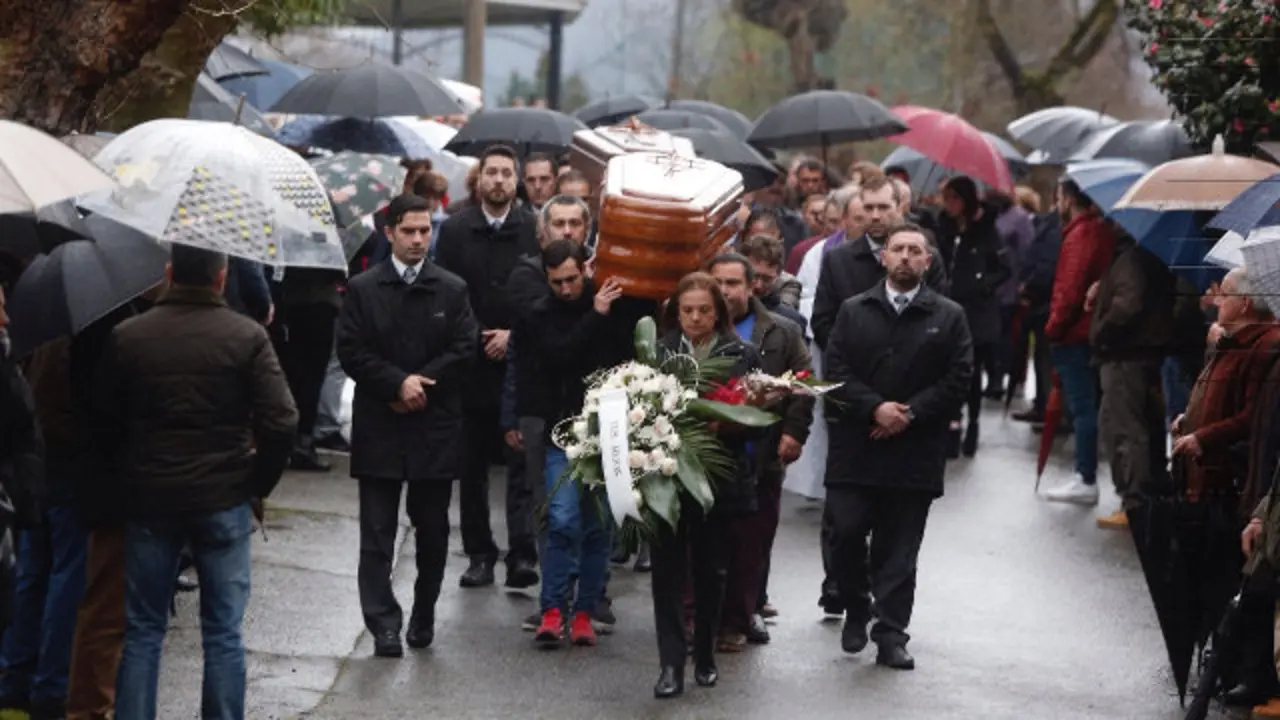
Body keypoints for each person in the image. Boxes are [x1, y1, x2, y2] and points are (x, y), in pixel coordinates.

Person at [98, 244, 299, 720]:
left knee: (143, 628)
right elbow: (283, 419)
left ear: (168, 273)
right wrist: (256, 483)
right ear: (221, 277)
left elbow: (104, 419)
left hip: (151, 494)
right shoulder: (246, 336)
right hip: (224, 493)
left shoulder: (129, 336)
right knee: (224, 630)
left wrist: (128, 472)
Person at [822, 223, 973, 671]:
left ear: (927, 262)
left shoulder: (948, 316)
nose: (906, 257)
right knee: (845, 534)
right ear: (883, 258)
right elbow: (835, 368)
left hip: (914, 452)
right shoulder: (853, 310)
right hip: (857, 445)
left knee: (899, 548)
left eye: (915, 251)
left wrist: (908, 413)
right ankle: (854, 603)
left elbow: (959, 377)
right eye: (898, 249)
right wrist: (874, 409)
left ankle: (891, 633)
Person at [337, 194, 479, 658]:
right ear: (390, 232)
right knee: (376, 533)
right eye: (410, 231)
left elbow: (464, 349)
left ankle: (423, 611)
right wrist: (396, 384)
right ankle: (382, 624)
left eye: (425, 230)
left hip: (433, 427)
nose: (419, 239)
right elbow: (351, 351)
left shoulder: (452, 289)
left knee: (433, 530)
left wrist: (421, 387)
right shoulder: (363, 289)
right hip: (382, 423)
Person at [651, 273, 764, 699]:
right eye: (687, 310)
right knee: (666, 570)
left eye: (703, 310)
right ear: (674, 312)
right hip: (664, 476)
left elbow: (759, 423)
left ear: (718, 312)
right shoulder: (657, 353)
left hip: (718, 477)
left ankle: (705, 652)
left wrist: (728, 425)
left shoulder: (742, 353)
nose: (695, 318)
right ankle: (670, 664)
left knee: (711, 569)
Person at [434, 145, 542, 590]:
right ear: (479, 180)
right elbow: (447, 291)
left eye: (506, 173)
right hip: (470, 360)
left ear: (516, 181)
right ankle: (480, 553)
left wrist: (513, 336)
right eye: (491, 173)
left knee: (521, 461)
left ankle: (522, 552)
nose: (498, 180)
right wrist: (477, 334)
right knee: (471, 465)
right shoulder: (458, 229)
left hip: (520, 359)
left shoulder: (533, 228)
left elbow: (541, 292)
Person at [521, 240, 629, 648]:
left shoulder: (611, 305)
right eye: (556, 282)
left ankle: (583, 611)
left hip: (607, 430)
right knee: (563, 518)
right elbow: (557, 356)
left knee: (598, 524)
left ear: (586, 268)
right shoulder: (540, 314)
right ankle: (553, 608)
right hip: (561, 431)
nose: (566, 289)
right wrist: (594, 317)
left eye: (571, 279)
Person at [706, 254, 813, 643]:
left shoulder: (780, 331)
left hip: (761, 457)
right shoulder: (695, 324)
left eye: (733, 283)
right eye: (717, 281)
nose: (724, 290)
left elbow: (803, 382)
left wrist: (794, 433)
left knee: (751, 544)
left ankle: (739, 617)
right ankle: (700, 617)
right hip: (707, 456)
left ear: (752, 287)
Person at [1089, 240, 1179, 529]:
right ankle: (1143, 497)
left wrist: (1101, 332)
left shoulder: (1131, 259)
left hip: (1124, 355)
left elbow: (1127, 304)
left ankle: (1134, 502)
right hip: (1142, 354)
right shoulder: (1151, 256)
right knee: (1141, 426)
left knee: (1125, 429)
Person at [1040, 179, 1117, 505]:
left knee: (1082, 406)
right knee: (1088, 405)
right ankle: (1085, 474)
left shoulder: (1081, 233)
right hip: (1088, 330)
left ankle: (1085, 477)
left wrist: (1053, 328)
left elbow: (1069, 290)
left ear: (1068, 199)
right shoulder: (1100, 230)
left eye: (1058, 196)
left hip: (1074, 333)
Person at [934, 176, 1011, 457]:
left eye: (954, 198)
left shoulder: (987, 231)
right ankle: (952, 424)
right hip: (946, 309)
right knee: (948, 370)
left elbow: (1004, 268)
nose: (949, 205)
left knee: (972, 371)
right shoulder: (943, 227)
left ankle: (973, 423)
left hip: (976, 313)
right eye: (947, 198)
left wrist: (982, 284)